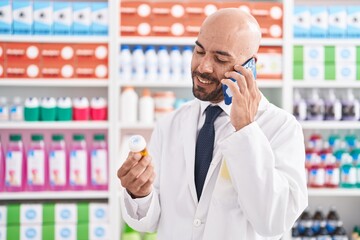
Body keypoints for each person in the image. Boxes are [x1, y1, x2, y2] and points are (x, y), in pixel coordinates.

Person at [118, 8, 308, 240]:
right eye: (199, 51)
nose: (203, 67)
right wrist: (139, 193)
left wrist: (246, 129)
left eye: (220, 58)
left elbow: (272, 221)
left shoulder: (281, 128)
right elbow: (150, 221)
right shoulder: (170, 125)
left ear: (250, 66)